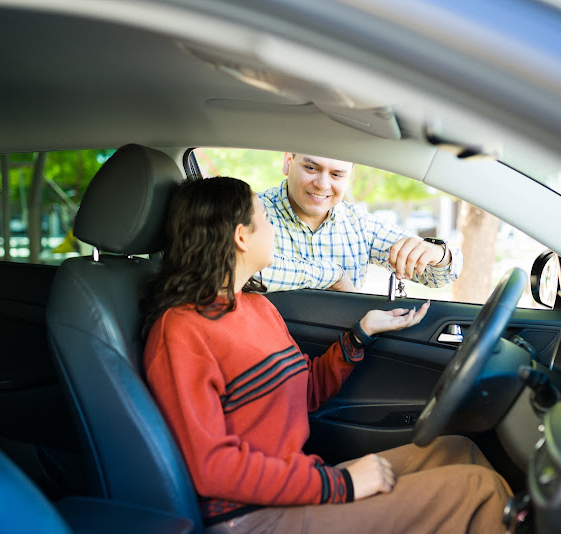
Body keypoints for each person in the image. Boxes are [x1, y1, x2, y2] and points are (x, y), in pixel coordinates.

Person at [143, 177, 511, 533]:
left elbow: (305, 393)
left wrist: (362, 333)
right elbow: (212, 467)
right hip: (252, 515)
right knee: (481, 494)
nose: (273, 228)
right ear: (241, 237)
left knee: (457, 450)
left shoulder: (256, 306)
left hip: (294, 485)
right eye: (266, 220)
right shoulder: (180, 331)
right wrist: (341, 484)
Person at [258, 153, 463, 292]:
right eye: (311, 168)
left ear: (348, 177)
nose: (322, 184)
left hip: (343, 351)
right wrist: (334, 275)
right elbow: (239, 269)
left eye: (336, 174)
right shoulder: (251, 212)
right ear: (287, 161)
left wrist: (439, 254)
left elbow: (439, 277)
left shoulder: (360, 225)